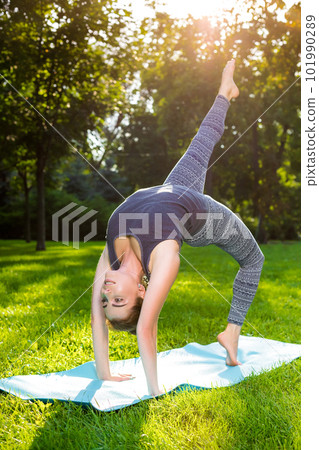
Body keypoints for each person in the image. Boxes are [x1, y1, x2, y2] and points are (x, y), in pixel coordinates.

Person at [91, 60, 265, 397]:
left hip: (172, 190)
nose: (108, 291)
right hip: (200, 217)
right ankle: (232, 332)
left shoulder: (111, 255)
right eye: (119, 299)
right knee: (253, 259)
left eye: (106, 299)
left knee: (201, 142)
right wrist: (154, 391)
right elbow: (146, 327)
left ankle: (224, 93)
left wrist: (104, 373)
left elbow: (97, 320)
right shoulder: (164, 258)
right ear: (142, 291)